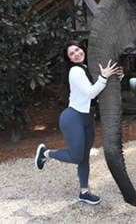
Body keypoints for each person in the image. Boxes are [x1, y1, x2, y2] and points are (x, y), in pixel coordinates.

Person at [34, 40, 123, 205]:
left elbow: (100, 87)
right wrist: (104, 77)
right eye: (71, 54)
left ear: (82, 49)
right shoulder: (75, 71)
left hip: (88, 119)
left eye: (77, 50)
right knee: (76, 157)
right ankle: (46, 153)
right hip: (73, 118)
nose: (76, 54)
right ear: (69, 59)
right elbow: (91, 93)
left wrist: (117, 75)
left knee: (84, 157)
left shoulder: (86, 68)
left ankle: (84, 192)